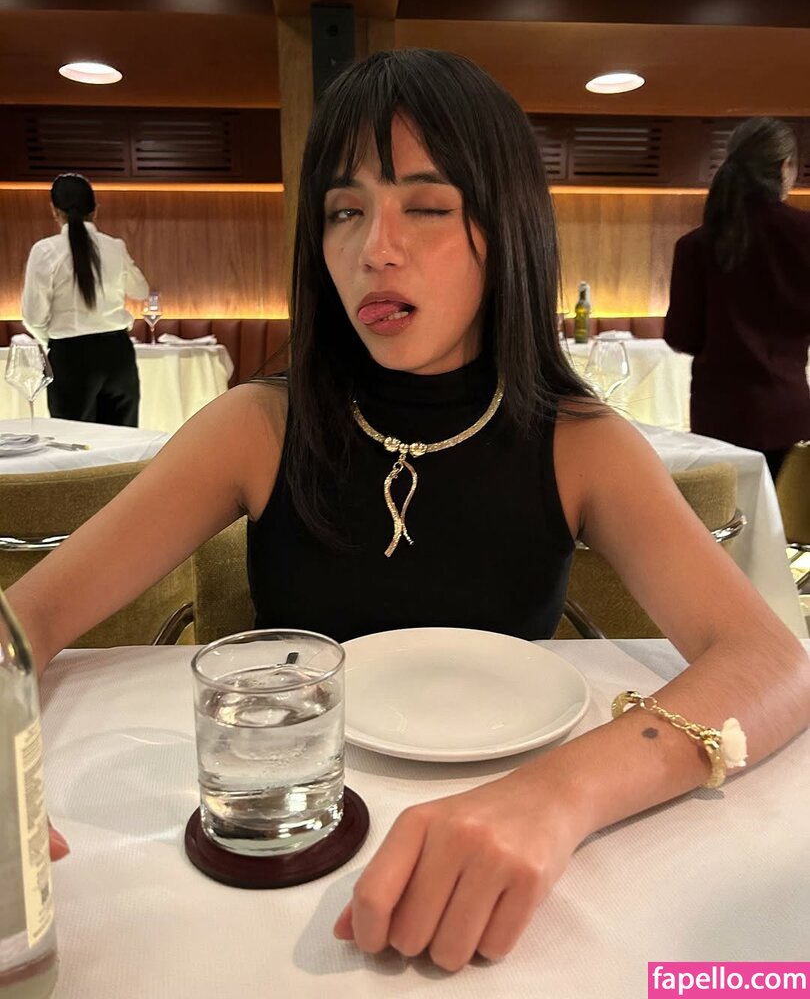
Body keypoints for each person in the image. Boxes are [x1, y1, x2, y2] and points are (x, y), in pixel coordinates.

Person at [7, 52, 810, 972]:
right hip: (288, 849)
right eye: (344, 211)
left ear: (507, 227)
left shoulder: (579, 442)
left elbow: (772, 665)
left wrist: (558, 796)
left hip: (518, 863)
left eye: (426, 207)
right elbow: (22, 624)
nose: (373, 250)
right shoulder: (257, 427)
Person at [664, 117, 810, 482]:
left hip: (718, 418)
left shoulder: (694, 245)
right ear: (784, 167)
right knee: (786, 512)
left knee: (728, 514)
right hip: (787, 414)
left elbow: (681, 336)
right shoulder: (805, 234)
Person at [21, 172, 150, 426]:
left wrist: (56, 340)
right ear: (95, 209)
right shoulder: (115, 246)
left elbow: (33, 317)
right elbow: (141, 291)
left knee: (74, 440)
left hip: (70, 356)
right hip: (118, 353)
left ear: (55, 211)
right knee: (123, 439)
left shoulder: (45, 250)